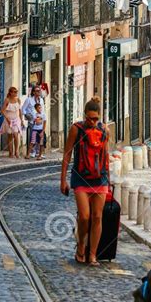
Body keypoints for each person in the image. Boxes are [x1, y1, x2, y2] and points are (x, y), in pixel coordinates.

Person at [60, 96, 109, 267]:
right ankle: (81, 244)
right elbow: (67, 154)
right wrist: (63, 180)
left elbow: (106, 155)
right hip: (80, 178)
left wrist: (108, 180)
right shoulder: (76, 129)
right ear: (84, 115)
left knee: (97, 217)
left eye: (95, 119)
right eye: (89, 118)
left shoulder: (104, 131)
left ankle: (93, 255)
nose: (92, 122)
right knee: (85, 216)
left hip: (100, 179)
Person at [0, 87, 23, 159]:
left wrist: (21, 120)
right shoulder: (7, 100)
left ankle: (16, 151)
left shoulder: (18, 100)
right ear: (10, 93)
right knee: (10, 136)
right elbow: (2, 110)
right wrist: (7, 119)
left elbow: (20, 110)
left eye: (16, 92)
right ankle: (10, 152)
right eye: (14, 92)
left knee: (15, 135)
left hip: (16, 119)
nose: (15, 93)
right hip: (9, 119)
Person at [22, 85, 45, 157]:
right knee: (32, 137)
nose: (39, 92)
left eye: (39, 90)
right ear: (33, 92)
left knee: (40, 137)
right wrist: (28, 115)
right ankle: (32, 152)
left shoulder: (41, 100)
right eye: (37, 91)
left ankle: (38, 152)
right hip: (32, 122)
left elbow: (42, 110)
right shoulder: (29, 99)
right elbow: (23, 109)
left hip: (40, 122)